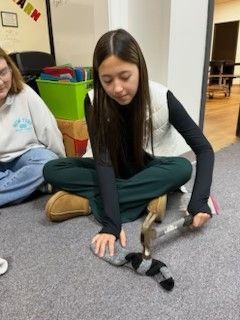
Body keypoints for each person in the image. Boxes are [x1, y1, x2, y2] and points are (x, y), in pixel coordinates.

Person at [43, 29, 214, 258]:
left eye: (125, 77)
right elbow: (103, 163)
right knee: (52, 168)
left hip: (148, 166)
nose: (117, 88)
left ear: (140, 69)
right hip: (111, 168)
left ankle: (88, 201)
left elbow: (203, 149)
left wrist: (200, 200)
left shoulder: (162, 97)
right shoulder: (94, 101)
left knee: (182, 168)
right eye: (107, 80)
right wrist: (112, 223)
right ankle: (147, 197)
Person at [0, 47, 65, 207]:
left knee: (46, 162)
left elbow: (48, 130)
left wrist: (61, 170)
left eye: (3, 73)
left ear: (10, 69)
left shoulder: (25, 93)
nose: (0, 82)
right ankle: (32, 186)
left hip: (27, 156)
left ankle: (27, 184)